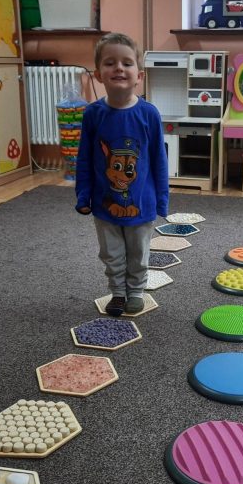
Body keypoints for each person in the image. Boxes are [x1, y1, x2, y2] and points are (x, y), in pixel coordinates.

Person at [75, 33, 169, 316]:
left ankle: (136, 291)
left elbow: (159, 160)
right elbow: (84, 158)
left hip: (142, 203)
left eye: (127, 63)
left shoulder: (149, 114)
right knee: (111, 252)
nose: (119, 68)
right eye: (110, 63)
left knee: (138, 252)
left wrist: (162, 200)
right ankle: (117, 292)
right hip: (104, 204)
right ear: (98, 74)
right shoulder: (93, 114)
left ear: (139, 75)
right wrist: (83, 194)